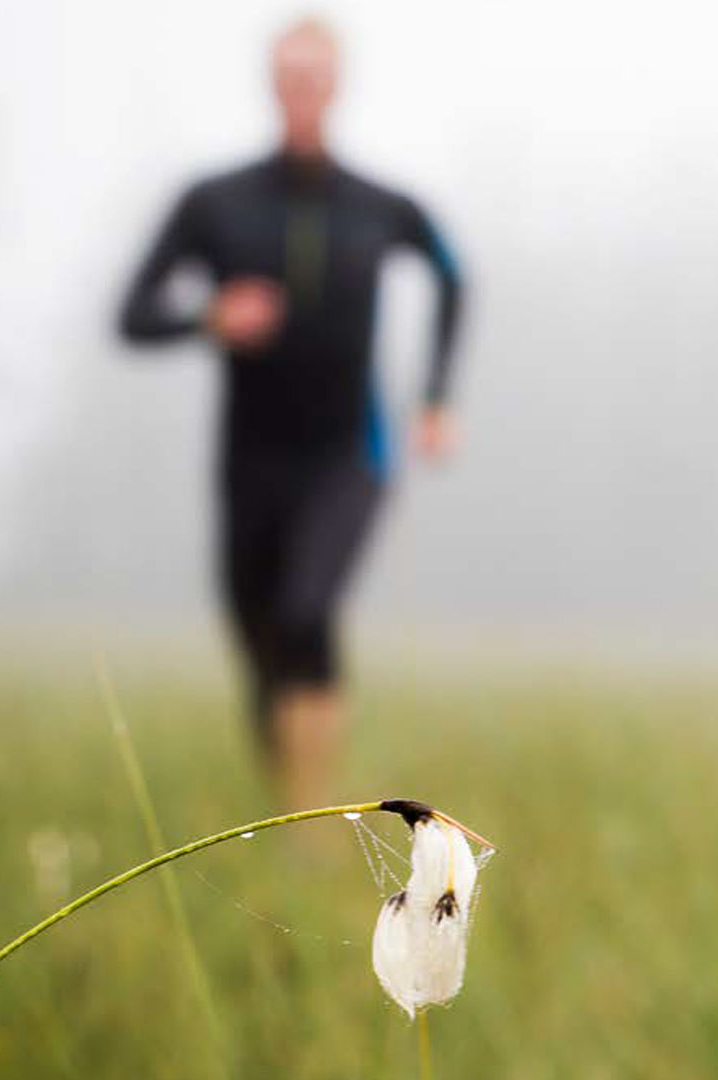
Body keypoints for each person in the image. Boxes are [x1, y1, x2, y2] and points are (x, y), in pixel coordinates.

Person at [118, 17, 467, 809]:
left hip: (351, 453)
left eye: (317, 76)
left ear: (335, 86)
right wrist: (209, 316)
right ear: (273, 85)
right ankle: (287, 803)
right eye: (289, 76)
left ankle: (314, 825)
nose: (303, 91)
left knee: (307, 610)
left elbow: (454, 273)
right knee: (261, 642)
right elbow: (132, 314)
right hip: (250, 460)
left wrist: (439, 397)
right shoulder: (215, 204)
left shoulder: (380, 206)